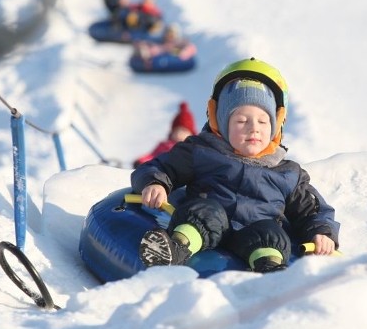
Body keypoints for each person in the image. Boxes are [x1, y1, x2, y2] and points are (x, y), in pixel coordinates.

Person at [132, 58, 340, 273]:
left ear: (276, 126)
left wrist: (322, 232)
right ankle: (175, 249)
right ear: (221, 122)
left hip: (255, 230)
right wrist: (155, 183)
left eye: (263, 121)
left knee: (271, 235)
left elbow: (313, 210)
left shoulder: (287, 173)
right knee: (202, 213)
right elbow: (160, 166)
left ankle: (270, 271)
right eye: (241, 121)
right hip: (209, 219)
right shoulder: (202, 151)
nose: (254, 129)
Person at [133, 101, 197, 168]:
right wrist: (141, 161)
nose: (178, 134)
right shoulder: (164, 146)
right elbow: (151, 156)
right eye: (175, 131)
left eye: (183, 131)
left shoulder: (193, 148)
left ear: (191, 133)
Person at [131, 23, 197, 69]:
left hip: (176, 59)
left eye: (172, 34)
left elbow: (189, 50)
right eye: (168, 34)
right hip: (155, 59)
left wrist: (173, 51)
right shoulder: (159, 43)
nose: (170, 36)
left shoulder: (180, 43)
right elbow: (152, 49)